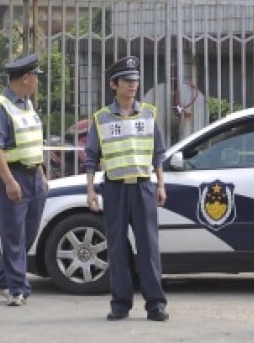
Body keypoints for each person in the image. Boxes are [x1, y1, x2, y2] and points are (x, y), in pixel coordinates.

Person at [84, 55, 169, 322]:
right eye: (127, 81)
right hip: (115, 189)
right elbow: (91, 158)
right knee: (118, 248)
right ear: (114, 84)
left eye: (135, 81)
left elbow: (158, 154)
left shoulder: (149, 113)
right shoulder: (101, 119)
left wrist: (161, 184)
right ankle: (120, 304)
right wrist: (90, 191)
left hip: (143, 187)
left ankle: (155, 305)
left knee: (149, 248)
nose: (132, 85)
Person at [0, 53, 48, 306]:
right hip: (13, 175)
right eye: (36, 77)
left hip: (34, 177)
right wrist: (9, 181)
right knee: (13, 235)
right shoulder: (0, 106)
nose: (37, 81)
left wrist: (42, 174)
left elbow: (33, 142)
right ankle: (18, 289)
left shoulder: (26, 104)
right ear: (25, 78)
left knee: (28, 233)